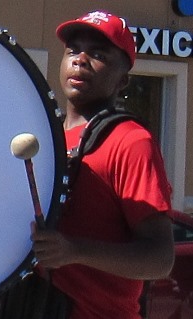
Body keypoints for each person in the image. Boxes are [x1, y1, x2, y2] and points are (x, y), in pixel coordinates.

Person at [30, 11, 175, 319]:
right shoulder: (47, 139)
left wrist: (74, 251)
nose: (80, 60)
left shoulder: (132, 141)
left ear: (123, 80)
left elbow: (160, 258)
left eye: (98, 54)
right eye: (73, 51)